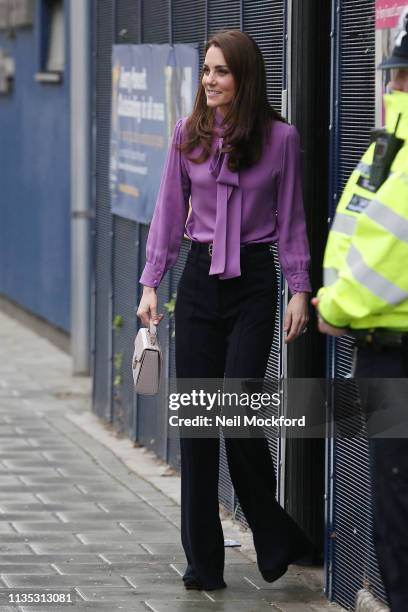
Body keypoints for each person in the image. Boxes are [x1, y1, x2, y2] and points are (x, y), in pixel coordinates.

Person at [137, 30, 313, 591]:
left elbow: (291, 221)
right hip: (198, 284)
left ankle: (272, 532)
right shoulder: (187, 136)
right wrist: (149, 284)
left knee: (236, 410)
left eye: (220, 71)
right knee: (197, 426)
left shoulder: (281, 139)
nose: (209, 80)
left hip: (255, 281)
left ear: (244, 78)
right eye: (206, 71)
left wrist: (300, 288)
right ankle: (204, 564)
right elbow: (168, 214)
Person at [312, 16, 408, 612]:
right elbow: (354, 230)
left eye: (397, 77)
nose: (389, 87)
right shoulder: (388, 148)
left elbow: (389, 249)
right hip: (378, 342)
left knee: (396, 510)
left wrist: (339, 305)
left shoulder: (398, 152)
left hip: (391, 351)